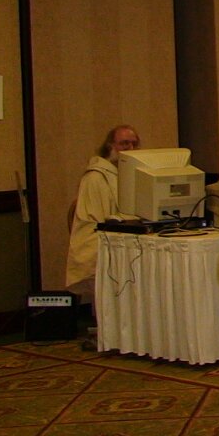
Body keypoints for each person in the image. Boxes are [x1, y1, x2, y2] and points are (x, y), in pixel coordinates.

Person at [65, 124, 140, 309]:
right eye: (124, 143)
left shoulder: (132, 174)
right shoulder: (95, 177)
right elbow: (95, 222)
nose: (130, 149)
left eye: (134, 144)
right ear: (110, 146)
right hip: (97, 240)